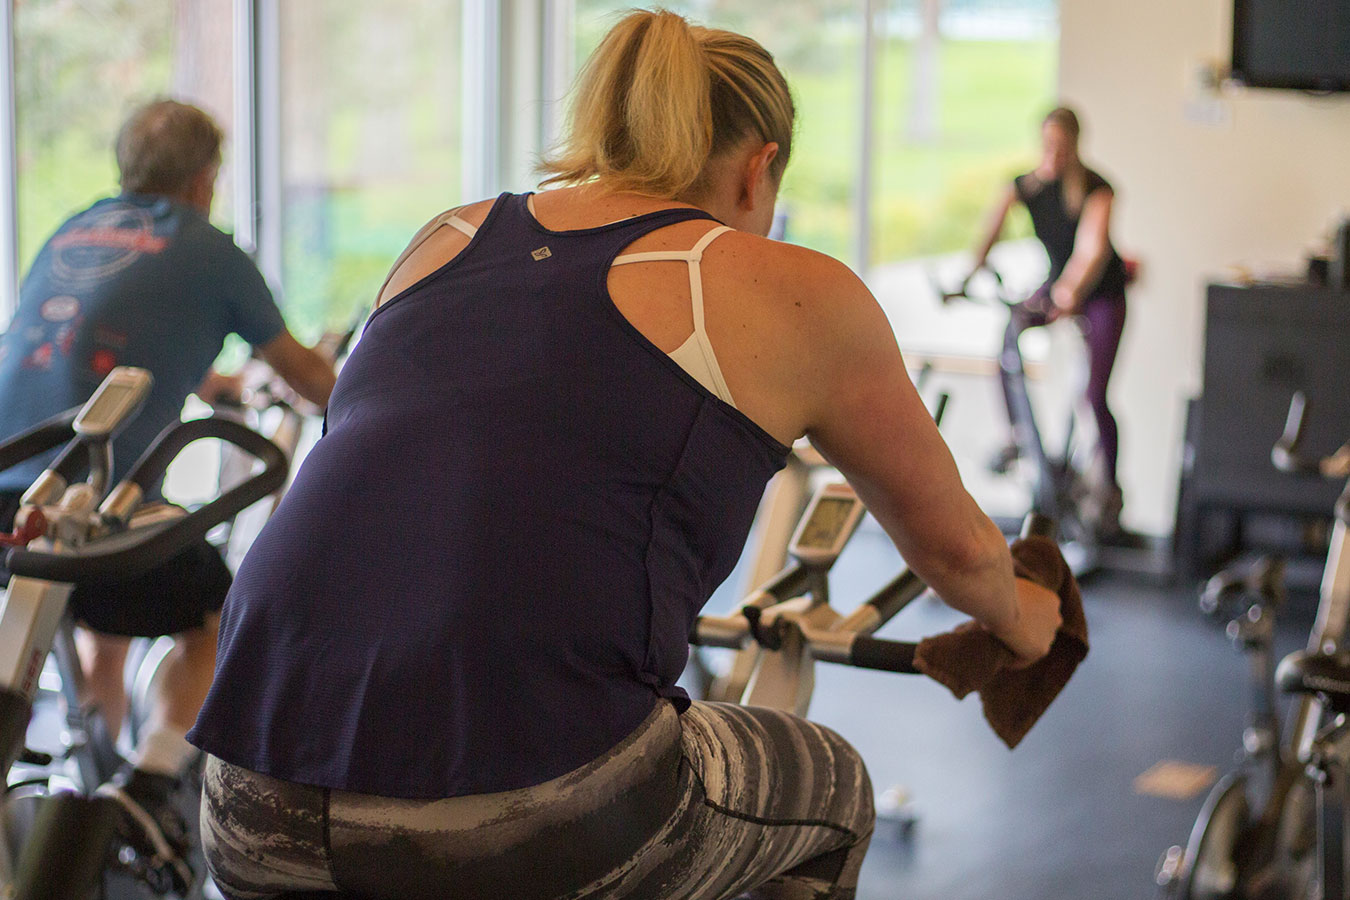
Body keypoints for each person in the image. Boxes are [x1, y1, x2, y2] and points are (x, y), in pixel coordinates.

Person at [188, 12, 1061, 900]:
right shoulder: (798, 291)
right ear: (760, 171)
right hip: (518, 811)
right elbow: (959, 551)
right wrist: (1029, 624)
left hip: (249, 792)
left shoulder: (441, 238)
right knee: (832, 790)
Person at [0, 99, 335, 887]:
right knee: (223, 612)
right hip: (87, 497)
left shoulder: (75, 226)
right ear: (205, 177)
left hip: (16, 483)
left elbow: (93, 342)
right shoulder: (212, 251)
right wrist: (334, 370)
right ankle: (150, 788)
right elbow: (313, 383)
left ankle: (85, 781)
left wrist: (208, 380)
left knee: (104, 615)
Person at [967, 106, 1130, 534]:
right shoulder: (1027, 185)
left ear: (1076, 144)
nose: (1055, 152)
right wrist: (971, 270)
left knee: (1095, 396)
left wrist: (1069, 292)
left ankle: (1109, 491)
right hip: (1057, 285)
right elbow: (991, 228)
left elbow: (1092, 250)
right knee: (1008, 341)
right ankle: (1018, 438)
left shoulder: (1097, 188)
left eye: (1063, 145)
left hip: (1101, 295)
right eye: (1048, 144)